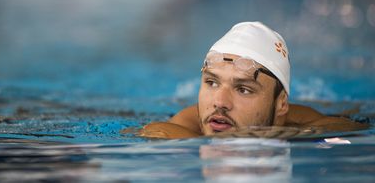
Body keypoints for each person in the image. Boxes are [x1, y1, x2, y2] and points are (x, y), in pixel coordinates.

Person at [140, 21, 368, 139]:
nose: (219, 102)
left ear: (281, 104)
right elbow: (155, 130)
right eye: (212, 83)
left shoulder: (303, 122)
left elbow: (351, 126)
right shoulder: (182, 125)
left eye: (243, 89)